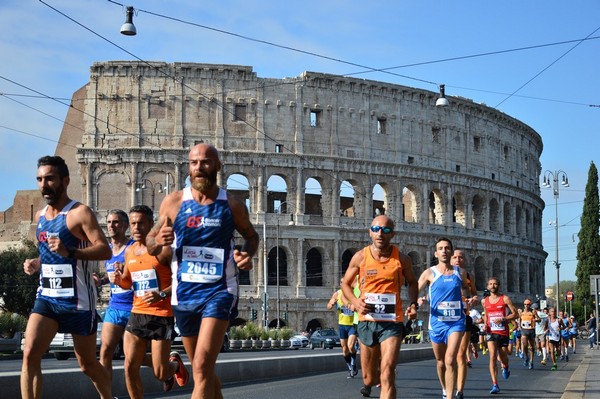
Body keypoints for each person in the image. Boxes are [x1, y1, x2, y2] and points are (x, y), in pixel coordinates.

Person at [146, 143, 259, 399]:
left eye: (205, 162)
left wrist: (246, 253)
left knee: (201, 365)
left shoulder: (232, 204)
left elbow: (251, 236)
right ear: (189, 167)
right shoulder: (173, 202)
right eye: (194, 162)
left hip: (220, 291)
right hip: (184, 295)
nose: (199, 168)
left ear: (217, 166)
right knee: (203, 371)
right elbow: (151, 244)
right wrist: (158, 241)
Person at [21, 155, 113, 399]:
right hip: (48, 297)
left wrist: (70, 250)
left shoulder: (80, 213)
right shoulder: (40, 216)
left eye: (50, 178)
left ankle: (108, 397)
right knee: (29, 354)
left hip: (78, 302)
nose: (44, 184)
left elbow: (105, 250)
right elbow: (49, 255)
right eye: (40, 179)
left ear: (65, 180)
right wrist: (35, 263)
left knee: (87, 365)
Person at [113, 205, 189, 397]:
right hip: (137, 313)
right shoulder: (129, 252)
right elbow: (128, 283)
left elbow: (182, 281)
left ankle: (174, 364)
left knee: (160, 372)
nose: (136, 227)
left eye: (141, 223)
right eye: (133, 224)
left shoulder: (163, 250)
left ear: (150, 224)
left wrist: (161, 294)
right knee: (129, 365)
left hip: (161, 315)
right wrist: (118, 279)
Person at [341, 215, 418, 399]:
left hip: (392, 321)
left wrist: (413, 304)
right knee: (369, 377)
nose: (380, 233)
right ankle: (372, 379)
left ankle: (387, 372)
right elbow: (345, 284)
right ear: (370, 232)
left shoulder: (402, 259)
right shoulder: (360, 256)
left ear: (393, 234)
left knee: (387, 372)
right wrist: (355, 301)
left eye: (385, 230)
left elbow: (412, 283)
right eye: (376, 229)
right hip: (367, 321)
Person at [418, 239, 477, 399]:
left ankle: (450, 396)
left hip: (456, 322)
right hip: (436, 322)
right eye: (440, 249)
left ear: (451, 252)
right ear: (436, 253)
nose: (444, 251)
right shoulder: (429, 273)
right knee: (440, 361)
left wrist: (472, 297)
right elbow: (415, 290)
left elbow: (468, 288)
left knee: (450, 359)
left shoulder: (460, 273)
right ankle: (445, 389)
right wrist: (416, 301)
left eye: (447, 248)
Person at [96, 209, 135, 383]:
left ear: (125, 226)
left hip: (134, 307)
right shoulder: (108, 250)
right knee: (105, 351)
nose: (111, 225)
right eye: (109, 222)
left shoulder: (134, 248)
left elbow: (146, 270)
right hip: (114, 306)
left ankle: (170, 367)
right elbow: (111, 277)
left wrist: (126, 267)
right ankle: (107, 395)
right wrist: (100, 280)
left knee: (133, 356)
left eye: (116, 222)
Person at [450, 248, 478, 399]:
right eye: (455, 257)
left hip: (463, 316)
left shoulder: (469, 276)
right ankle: (448, 387)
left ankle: (459, 390)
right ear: (450, 259)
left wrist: (474, 298)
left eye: (460, 257)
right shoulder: (443, 275)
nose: (458, 260)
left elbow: (474, 292)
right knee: (447, 357)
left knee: (460, 355)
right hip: (446, 319)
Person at [481, 277, 518, 395]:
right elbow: (486, 315)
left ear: (499, 286)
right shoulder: (484, 301)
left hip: (503, 332)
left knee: (503, 357)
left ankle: (506, 366)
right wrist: (485, 325)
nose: (493, 286)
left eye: (495, 284)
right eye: (490, 284)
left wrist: (504, 318)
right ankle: (495, 384)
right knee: (492, 356)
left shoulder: (505, 299)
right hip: (491, 332)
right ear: (487, 286)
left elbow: (515, 314)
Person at [327, 280, 358, 378]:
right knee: (344, 349)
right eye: (341, 282)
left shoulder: (355, 293)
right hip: (342, 325)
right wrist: (331, 304)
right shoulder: (337, 294)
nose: (343, 284)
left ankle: (353, 364)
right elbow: (328, 306)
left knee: (350, 346)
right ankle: (350, 368)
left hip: (352, 324)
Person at [519, 298, 540, 370]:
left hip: (531, 330)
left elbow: (539, 319)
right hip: (524, 330)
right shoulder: (521, 312)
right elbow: (519, 320)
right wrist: (519, 327)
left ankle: (531, 361)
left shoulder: (533, 312)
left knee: (531, 347)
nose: (526, 306)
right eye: (525, 304)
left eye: (528, 304)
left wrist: (535, 319)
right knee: (524, 345)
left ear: (530, 305)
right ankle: (526, 357)